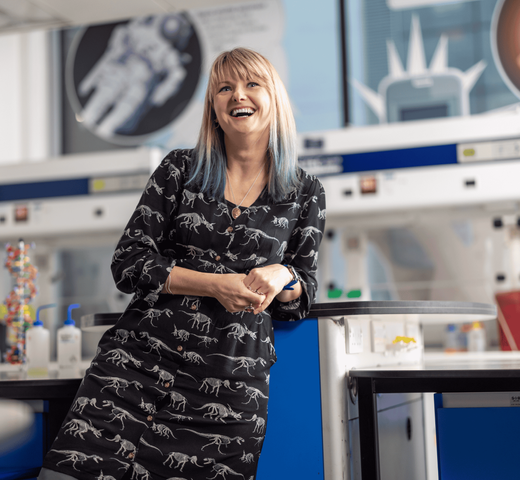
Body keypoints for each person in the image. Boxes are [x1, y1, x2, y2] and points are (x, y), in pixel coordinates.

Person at [39, 47, 326, 480]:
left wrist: (285, 274)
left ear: (274, 97)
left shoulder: (306, 193)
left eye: (251, 84)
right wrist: (213, 284)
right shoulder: (180, 170)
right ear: (213, 106)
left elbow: (301, 292)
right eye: (224, 88)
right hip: (134, 369)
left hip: (226, 390)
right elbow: (129, 262)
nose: (237, 96)